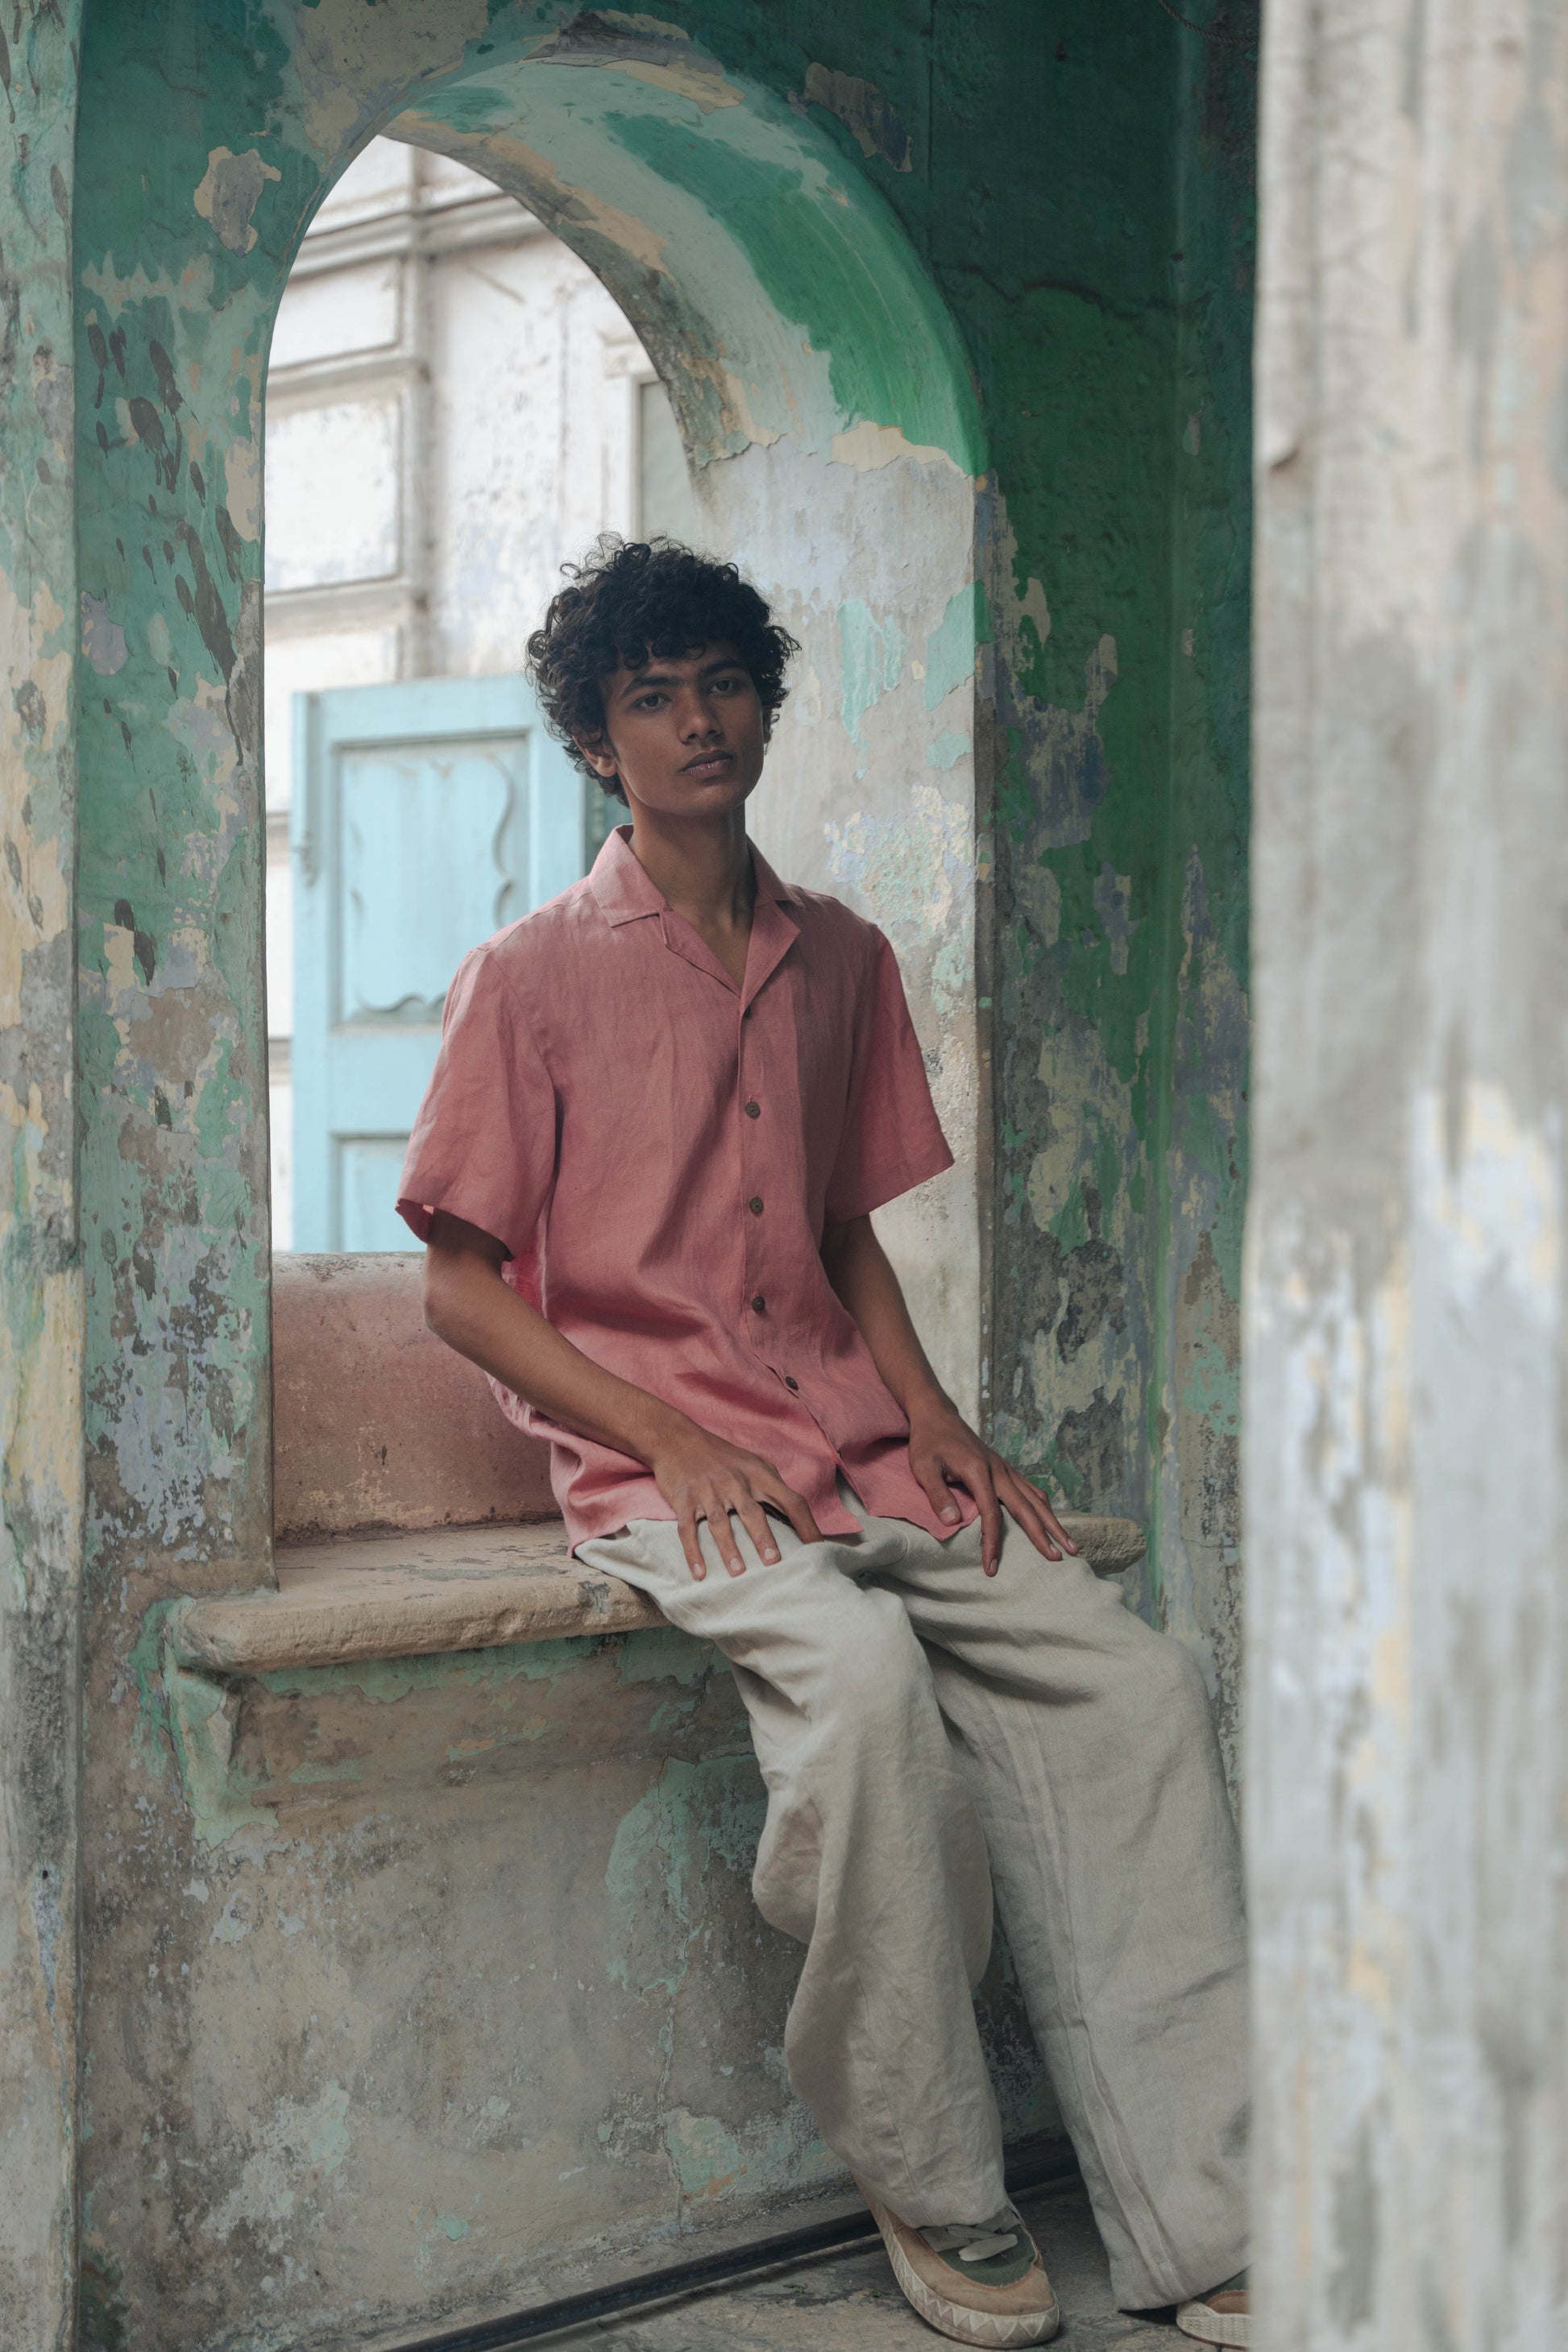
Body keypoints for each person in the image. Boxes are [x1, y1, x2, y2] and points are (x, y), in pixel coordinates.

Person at [395, 537, 1250, 2350]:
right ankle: (938, 2184)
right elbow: (463, 1291)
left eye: (725, 680)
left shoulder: (841, 953)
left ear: (766, 702)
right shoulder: (526, 977)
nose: (699, 718)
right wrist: (660, 1433)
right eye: (652, 694)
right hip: (668, 1474)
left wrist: (939, 1418)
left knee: (1134, 1689)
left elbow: (844, 1232)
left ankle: (1206, 2206)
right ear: (596, 738)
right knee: (864, 1701)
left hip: (860, 1442)